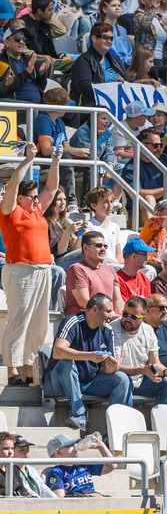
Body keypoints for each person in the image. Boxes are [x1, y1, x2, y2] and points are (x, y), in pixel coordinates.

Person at [0, 142, 59, 387]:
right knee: (19, 320)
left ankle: (30, 370)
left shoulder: (35, 210)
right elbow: (13, 184)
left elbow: (52, 187)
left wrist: (55, 161)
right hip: (20, 269)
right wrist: (26, 161)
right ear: (21, 197)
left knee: (38, 324)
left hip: (43, 269)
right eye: (32, 197)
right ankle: (12, 370)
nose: (37, 201)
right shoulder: (9, 210)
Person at [45, 293, 132, 431]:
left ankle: (113, 430)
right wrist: (89, 356)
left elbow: (106, 369)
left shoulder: (108, 330)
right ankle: (79, 415)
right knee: (66, 363)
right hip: (58, 382)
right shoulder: (73, 321)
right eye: (108, 311)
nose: (112, 315)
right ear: (95, 309)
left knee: (122, 379)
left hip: (88, 382)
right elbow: (58, 351)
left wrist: (113, 367)